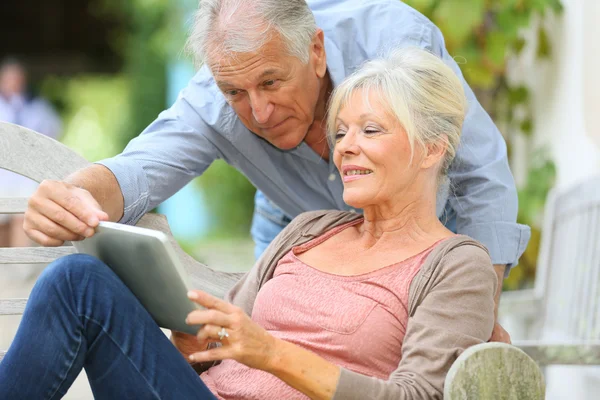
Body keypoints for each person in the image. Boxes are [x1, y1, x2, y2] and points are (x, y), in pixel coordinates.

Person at [0, 47, 497, 399]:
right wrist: (195, 342)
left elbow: (418, 397)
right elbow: (215, 348)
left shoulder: (455, 265)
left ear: (433, 148)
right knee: (78, 280)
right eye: (341, 131)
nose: (346, 146)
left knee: (77, 283)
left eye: (371, 130)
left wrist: (272, 353)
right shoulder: (309, 230)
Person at [21, 0, 528, 341]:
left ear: (315, 52)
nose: (259, 113)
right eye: (236, 93)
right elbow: (134, 171)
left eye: (271, 82)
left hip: (436, 262)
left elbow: (480, 175)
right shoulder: (212, 101)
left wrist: (476, 311)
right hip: (299, 250)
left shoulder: (395, 42)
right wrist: (71, 196)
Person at [0, 58, 61, 248]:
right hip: (3, 173)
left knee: (22, 217)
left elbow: (52, 132)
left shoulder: (38, 106)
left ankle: (19, 270)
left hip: (25, 175)